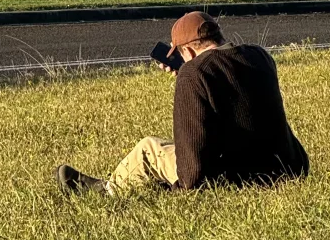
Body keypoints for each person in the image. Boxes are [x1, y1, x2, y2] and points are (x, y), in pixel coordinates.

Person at [56, 10, 309, 195]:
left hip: (238, 176)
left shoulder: (194, 73)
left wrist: (183, 187)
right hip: (286, 167)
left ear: (186, 51)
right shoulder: (259, 56)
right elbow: (234, 93)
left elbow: (193, 149)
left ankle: (107, 190)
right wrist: (191, 75)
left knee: (148, 148)